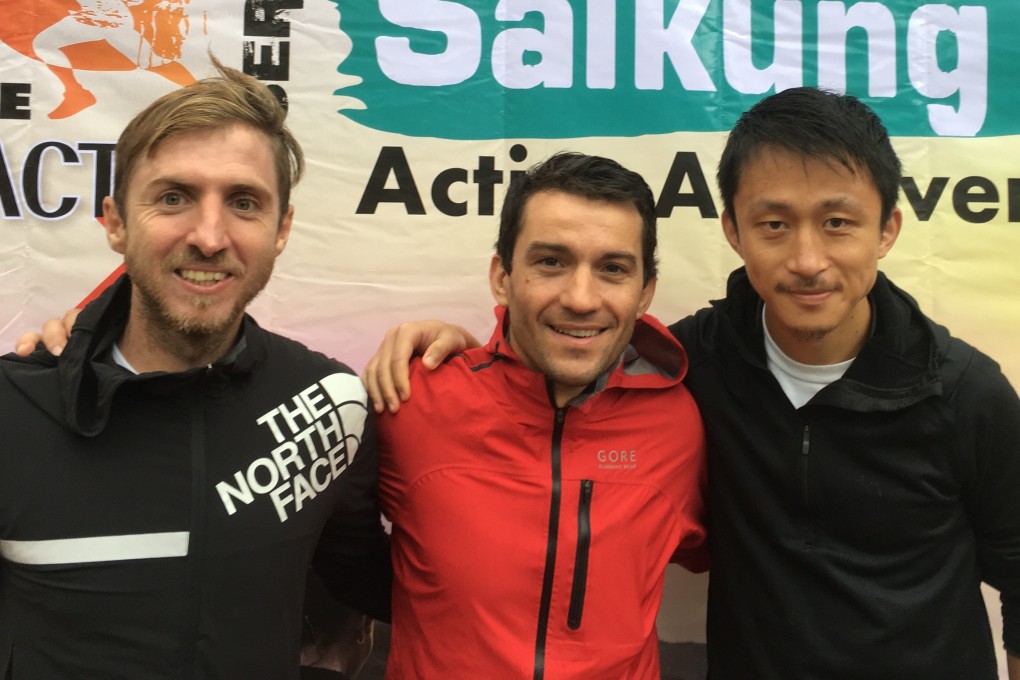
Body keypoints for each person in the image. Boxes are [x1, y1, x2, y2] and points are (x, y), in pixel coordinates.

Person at [362, 88, 1020, 680]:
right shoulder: (696, 364)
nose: (807, 259)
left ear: (887, 230)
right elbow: (572, 354)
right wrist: (461, 347)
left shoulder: (967, 394)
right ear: (734, 230)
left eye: (837, 222)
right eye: (774, 223)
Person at [0, 59, 389, 678]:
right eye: (174, 197)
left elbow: (391, 587)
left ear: (281, 229)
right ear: (116, 222)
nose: (209, 236)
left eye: (243, 202)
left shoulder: (329, 405)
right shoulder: (14, 408)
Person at [376, 152, 708, 678]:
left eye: (612, 269)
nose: (580, 298)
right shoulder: (413, 402)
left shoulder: (681, 424)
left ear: (645, 292)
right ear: (502, 277)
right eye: (551, 262)